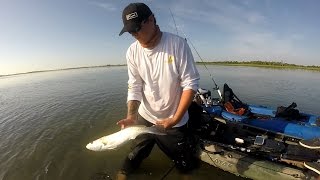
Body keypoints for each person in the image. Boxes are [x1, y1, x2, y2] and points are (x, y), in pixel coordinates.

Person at [116, 2, 200, 179]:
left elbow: (190, 84)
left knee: (184, 163)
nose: (135, 35)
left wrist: (175, 118)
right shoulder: (132, 52)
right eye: (131, 31)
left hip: (173, 121)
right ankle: (123, 173)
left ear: (152, 19)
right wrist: (131, 116)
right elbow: (134, 85)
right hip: (145, 116)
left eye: (137, 28)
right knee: (134, 155)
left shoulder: (177, 45)